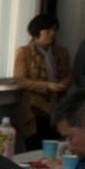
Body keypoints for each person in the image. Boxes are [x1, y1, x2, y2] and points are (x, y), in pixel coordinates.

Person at [14, 13, 73, 150]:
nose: (52, 34)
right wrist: (47, 86)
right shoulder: (24, 52)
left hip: (58, 107)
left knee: (56, 146)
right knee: (35, 147)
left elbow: (69, 74)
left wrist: (63, 84)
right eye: (48, 30)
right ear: (36, 32)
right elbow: (20, 80)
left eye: (54, 30)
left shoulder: (61, 52)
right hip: (34, 108)